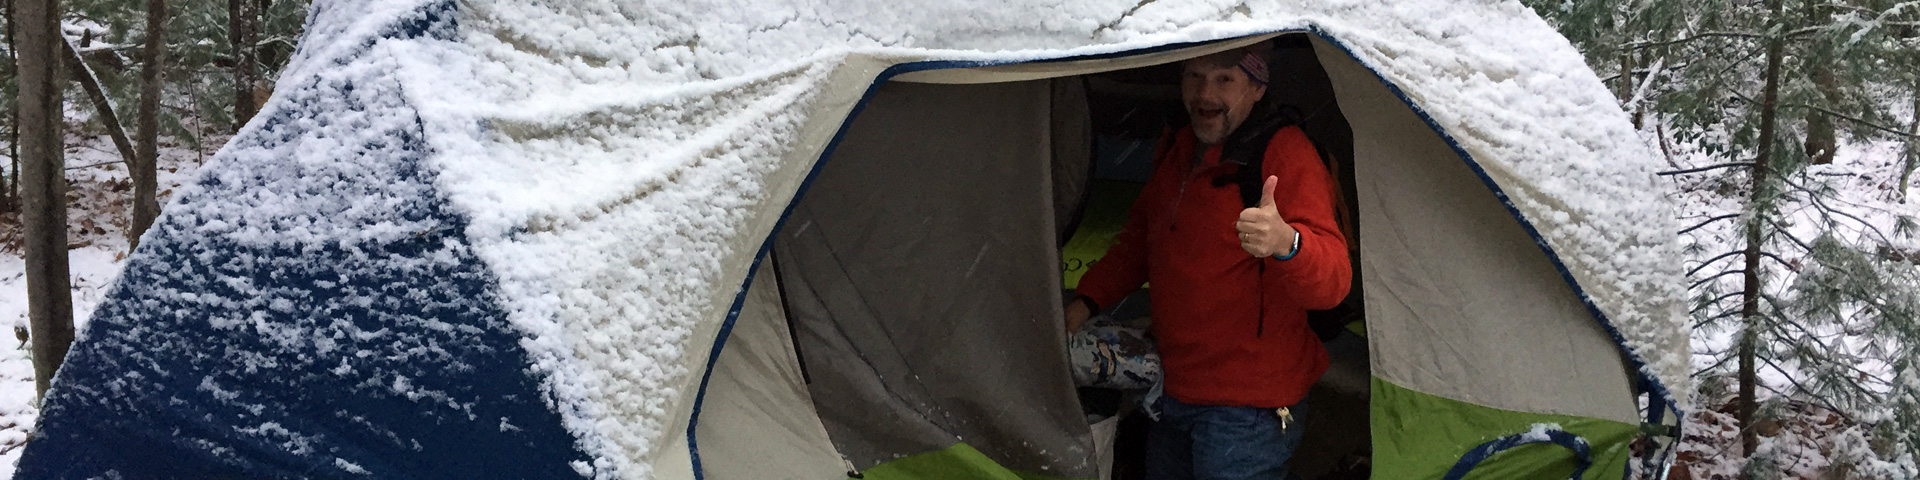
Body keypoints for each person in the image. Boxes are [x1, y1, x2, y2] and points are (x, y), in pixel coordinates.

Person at [1064, 43, 1352, 480]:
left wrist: (1287, 242)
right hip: (1176, 389)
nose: (1205, 94)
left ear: (1256, 88)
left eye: (1224, 79)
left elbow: (1334, 281)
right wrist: (1083, 304)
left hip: (1249, 410)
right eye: (1194, 77)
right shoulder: (1178, 145)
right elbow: (1141, 244)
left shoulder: (1284, 154)